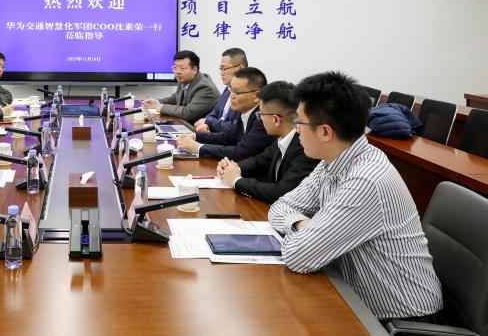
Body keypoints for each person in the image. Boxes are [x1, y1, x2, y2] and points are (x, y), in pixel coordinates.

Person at [268, 71, 442, 322]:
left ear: (325, 132)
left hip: (402, 321)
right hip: (358, 300)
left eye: (300, 123)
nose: (295, 130)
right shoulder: (333, 160)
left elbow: (299, 256)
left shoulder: (365, 180)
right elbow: (280, 206)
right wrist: (300, 224)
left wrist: (308, 234)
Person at [216, 81, 319, 203]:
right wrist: (234, 168)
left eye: (261, 115)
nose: (260, 119)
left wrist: (236, 180)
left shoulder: (305, 147)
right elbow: (259, 161)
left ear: (276, 120)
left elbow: (281, 192)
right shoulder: (282, 138)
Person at [177, 67, 273, 161]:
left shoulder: (263, 118)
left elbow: (240, 152)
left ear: (256, 96)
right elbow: (228, 137)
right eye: (231, 90)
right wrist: (195, 136)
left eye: (237, 92)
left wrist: (198, 147)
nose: (231, 96)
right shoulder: (243, 111)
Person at [142, 50, 219, 124]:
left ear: (194, 70)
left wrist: (160, 107)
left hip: (199, 130)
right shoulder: (184, 80)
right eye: (175, 68)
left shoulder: (205, 87)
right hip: (186, 124)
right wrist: (156, 102)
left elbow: (188, 113)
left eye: (182, 68)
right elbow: (174, 100)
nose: (177, 72)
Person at [195, 48, 247, 134]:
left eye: (224, 69)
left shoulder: (246, 93)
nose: (221, 73)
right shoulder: (228, 89)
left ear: (240, 68)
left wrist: (209, 122)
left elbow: (233, 128)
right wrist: (206, 125)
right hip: (216, 135)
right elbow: (213, 113)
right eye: (220, 69)